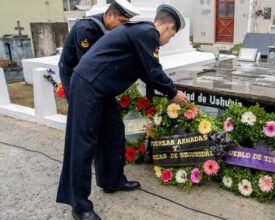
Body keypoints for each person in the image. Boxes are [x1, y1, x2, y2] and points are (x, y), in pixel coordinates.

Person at [56, 3, 189, 220]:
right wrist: (173, 93)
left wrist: (160, 94)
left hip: (101, 88)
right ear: (169, 27)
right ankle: (79, 206)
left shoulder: (141, 33)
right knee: (83, 143)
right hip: (88, 85)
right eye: (172, 36)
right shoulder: (148, 32)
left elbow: (147, 72)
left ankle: (112, 180)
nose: (168, 41)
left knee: (114, 132)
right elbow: (154, 72)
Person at [59, 0, 140, 97]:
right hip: (73, 74)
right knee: (81, 108)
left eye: (127, 22)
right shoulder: (86, 29)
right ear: (110, 15)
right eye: (122, 21)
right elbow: (87, 64)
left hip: (87, 75)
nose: (124, 26)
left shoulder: (102, 25)